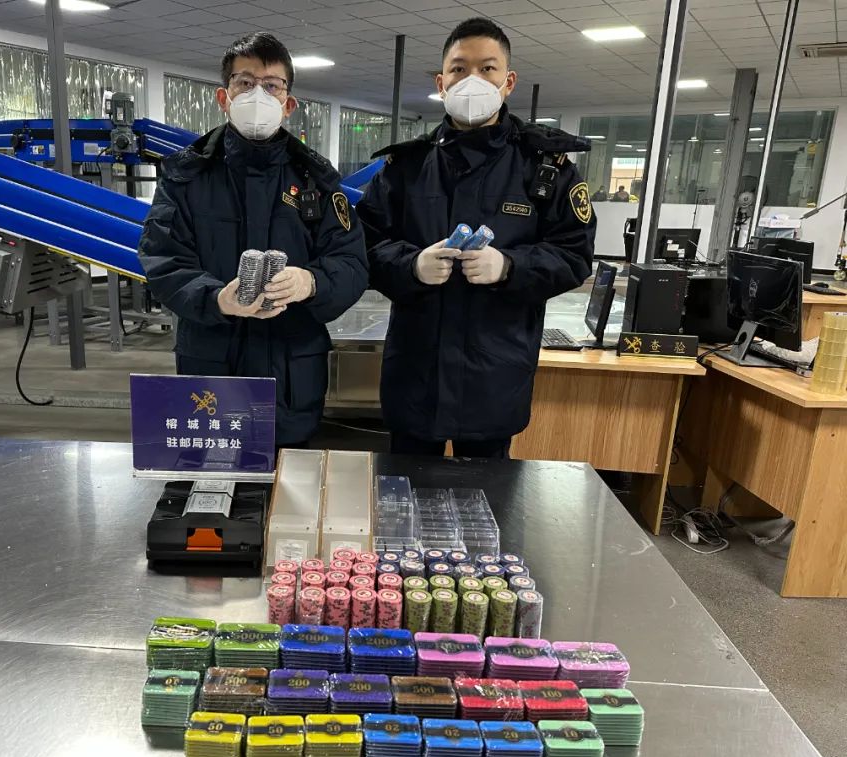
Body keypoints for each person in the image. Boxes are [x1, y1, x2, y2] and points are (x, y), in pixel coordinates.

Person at [357, 17, 596, 459]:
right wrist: (411, 265)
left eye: (487, 69)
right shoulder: (405, 168)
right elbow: (363, 245)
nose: (472, 80)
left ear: (508, 82)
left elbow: (574, 254)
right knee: (403, 491)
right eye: (459, 69)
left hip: (495, 375)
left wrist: (509, 266)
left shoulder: (545, 169)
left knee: (488, 495)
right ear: (441, 82)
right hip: (417, 374)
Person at [139, 33, 368, 448]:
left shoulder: (317, 181)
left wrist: (311, 282)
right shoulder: (186, 177)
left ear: (288, 103)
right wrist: (216, 298)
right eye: (245, 83)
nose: (258, 95)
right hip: (212, 366)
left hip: (292, 373)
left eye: (272, 86)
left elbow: (351, 262)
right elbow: (163, 260)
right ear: (223, 97)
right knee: (212, 475)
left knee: (288, 482)